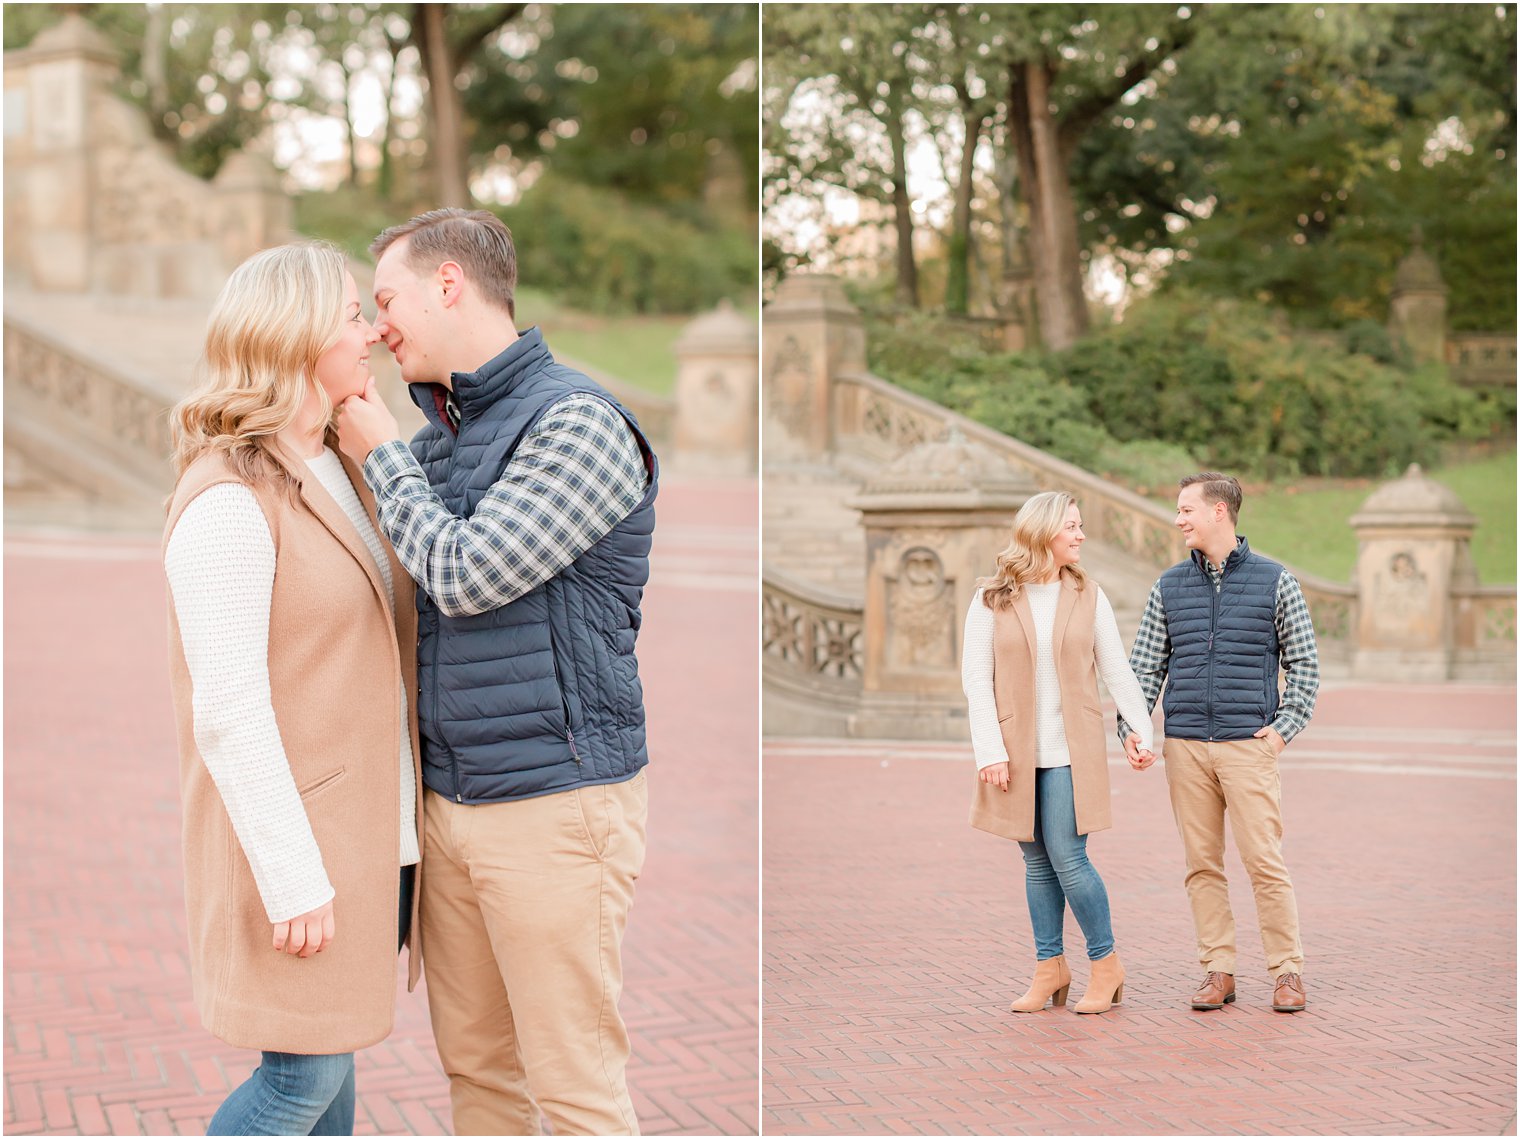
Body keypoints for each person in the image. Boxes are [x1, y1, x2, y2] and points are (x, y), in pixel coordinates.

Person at [332, 208, 656, 1136]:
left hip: (555, 809)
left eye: (384, 298)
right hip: (449, 807)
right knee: (477, 1079)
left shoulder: (580, 422)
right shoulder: (438, 437)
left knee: (576, 1089)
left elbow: (467, 574)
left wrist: (382, 455)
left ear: (448, 283)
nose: (378, 324)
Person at [163, 242, 423, 1135]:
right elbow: (229, 712)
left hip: (364, 844)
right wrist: (292, 879)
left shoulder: (342, 466)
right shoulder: (231, 497)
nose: (372, 332)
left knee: (330, 1077)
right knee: (300, 1083)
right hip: (299, 856)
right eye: (353, 316)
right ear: (299, 334)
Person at [1118, 472, 1319, 1013]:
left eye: (1187, 509)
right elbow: (1142, 671)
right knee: (1201, 865)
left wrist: (1282, 731)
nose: (1179, 518)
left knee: (1264, 862)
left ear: (1219, 513)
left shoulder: (1277, 582)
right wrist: (1134, 729)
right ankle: (1218, 970)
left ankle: (1287, 972)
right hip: (1185, 748)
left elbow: (1304, 665)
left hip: (1248, 745)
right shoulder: (1167, 586)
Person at [962, 490, 1157, 1016]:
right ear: (1043, 531)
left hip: (1073, 750)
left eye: (1080, 525)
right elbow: (977, 683)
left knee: (1069, 858)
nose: (1081, 535)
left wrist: (1141, 731)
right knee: (1035, 862)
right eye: (1071, 525)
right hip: (1015, 752)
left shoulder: (1089, 595)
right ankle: (1050, 968)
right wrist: (990, 751)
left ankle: (1106, 963)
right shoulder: (991, 598)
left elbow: (1116, 669)